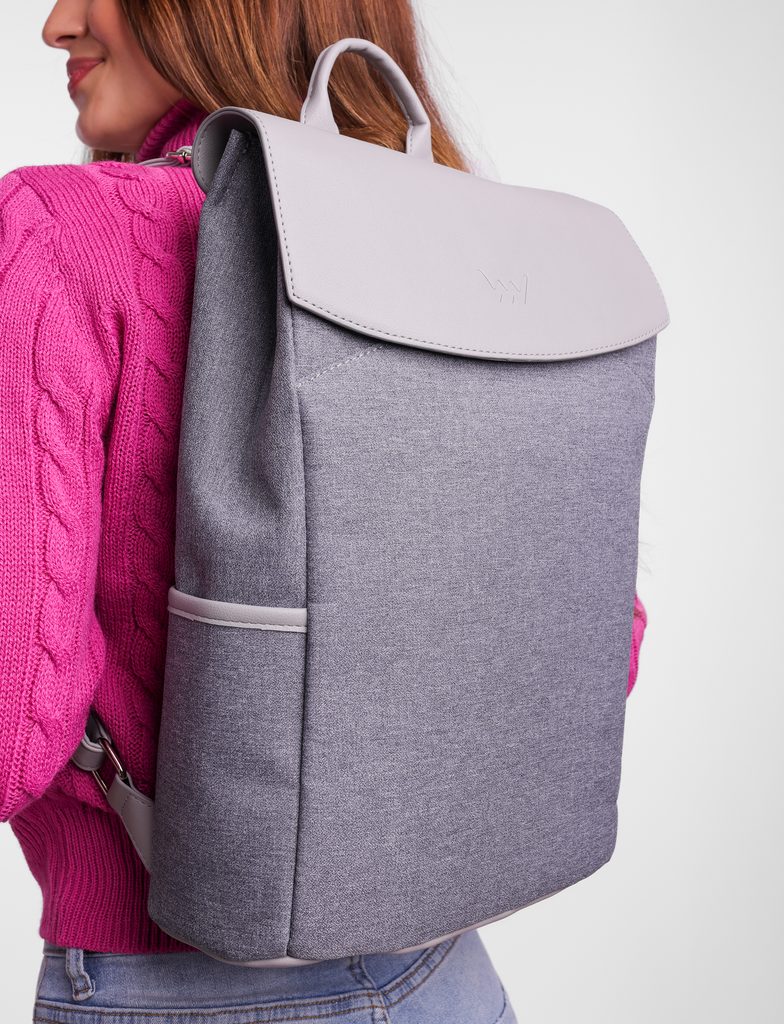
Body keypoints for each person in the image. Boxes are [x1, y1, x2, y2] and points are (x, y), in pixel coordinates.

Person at [0, 1, 648, 1020]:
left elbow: (13, 723)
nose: (57, 23)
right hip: (446, 976)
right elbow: (607, 635)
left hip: (176, 989)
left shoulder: (60, 230)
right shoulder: (453, 236)